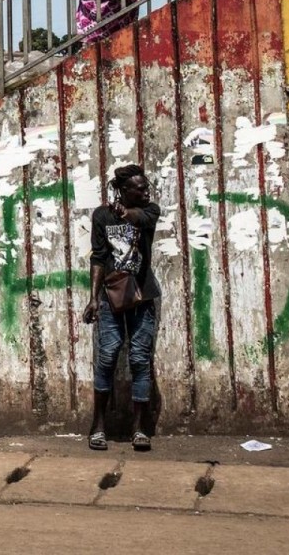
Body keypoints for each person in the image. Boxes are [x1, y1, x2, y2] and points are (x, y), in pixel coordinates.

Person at [82, 163, 162, 452]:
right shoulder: (102, 216)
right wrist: (93, 298)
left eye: (146, 187)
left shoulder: (150, 210)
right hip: (111, 297)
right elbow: (99, 258)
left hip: (142, 295)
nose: (145, 192)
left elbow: (141, 217)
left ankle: (139, 429)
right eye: (139, 188)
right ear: (123, 190)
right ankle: (98, 426)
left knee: (140, 358)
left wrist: (126, 214)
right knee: (107, 356)